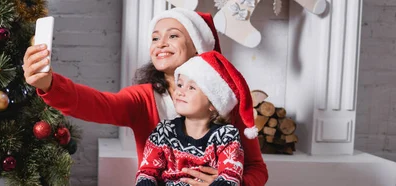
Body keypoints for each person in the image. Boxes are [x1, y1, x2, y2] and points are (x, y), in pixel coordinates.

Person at [22, 8, 268, 186]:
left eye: (173, 35)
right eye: (154, 37)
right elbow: (97, 104)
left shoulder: (225, 103)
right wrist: (50, 84)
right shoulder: (144, 99)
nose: (161, 43)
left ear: (197, 46)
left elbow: (257, 169)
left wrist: (231, 183)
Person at [135, 51, 258, 186]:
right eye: (180, 85)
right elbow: (147, 172)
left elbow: (231, 176)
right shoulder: (163, 131)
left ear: (212, 103)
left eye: (191, 88)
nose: (180, 91)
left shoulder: (226, 136)